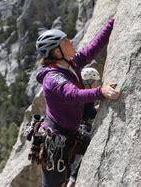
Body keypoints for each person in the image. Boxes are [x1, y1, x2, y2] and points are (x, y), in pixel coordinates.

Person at [35, 17, 120, 187]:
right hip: (56, 141)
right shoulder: (52, 78)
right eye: (65, 40)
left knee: (98, 148)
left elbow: (91, 49)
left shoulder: (69, 64)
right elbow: (73, 94)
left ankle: (73, 179)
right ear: (57, 52)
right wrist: (100, 91)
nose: (71, 41)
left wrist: (112, 22)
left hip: (70, 133)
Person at [67, 67, 101, 187]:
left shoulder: (78, 92)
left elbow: (89, 112)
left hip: (69, 130)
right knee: (92, 147)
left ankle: (69, 179)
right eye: (96, 82)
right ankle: (72, 179)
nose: (97, 85)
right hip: (79, 129)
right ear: (88, 82)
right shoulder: (86, 95)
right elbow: (90, 114)